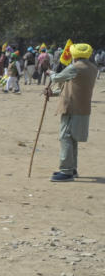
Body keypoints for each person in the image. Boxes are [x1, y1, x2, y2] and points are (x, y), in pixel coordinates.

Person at [48, 42, 97, 182]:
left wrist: (51, 73)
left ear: (74, 54)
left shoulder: (75, 67)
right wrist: (54, 93)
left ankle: (66, 172)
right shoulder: (92, 68)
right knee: (72, 138)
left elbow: (57, 78)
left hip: (72, 107)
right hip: (83, 107)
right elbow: (74, 87)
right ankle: (72, 168)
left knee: (65, 137)